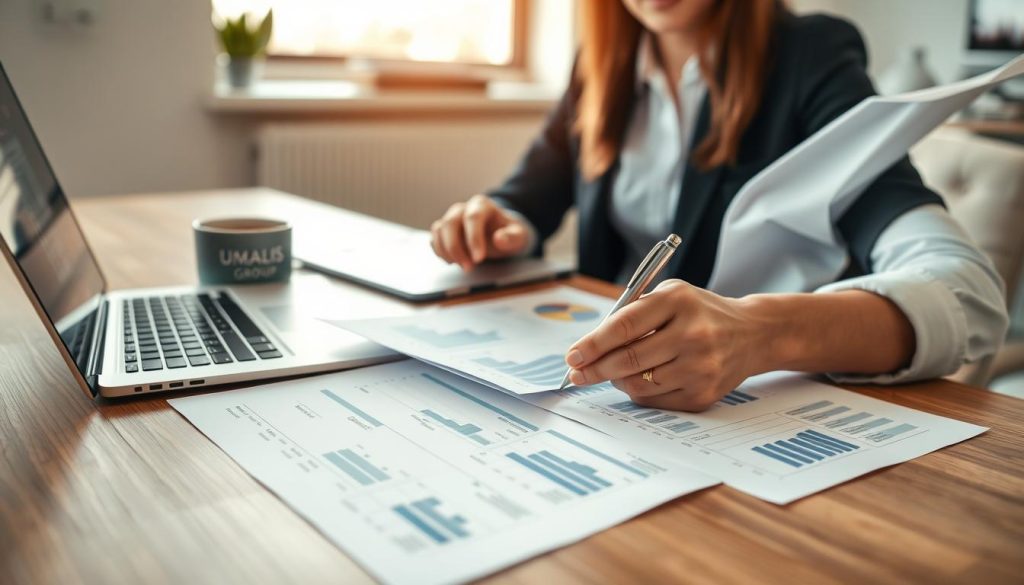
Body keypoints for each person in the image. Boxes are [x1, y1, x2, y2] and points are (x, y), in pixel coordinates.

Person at [429, 0, 1008, 411]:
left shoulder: (811, 56)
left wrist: (762, 333)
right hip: (615, 410)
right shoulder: (604, 65)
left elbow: (971, 298)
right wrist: (498, 222)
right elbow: (528, 195)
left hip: (755, 416)